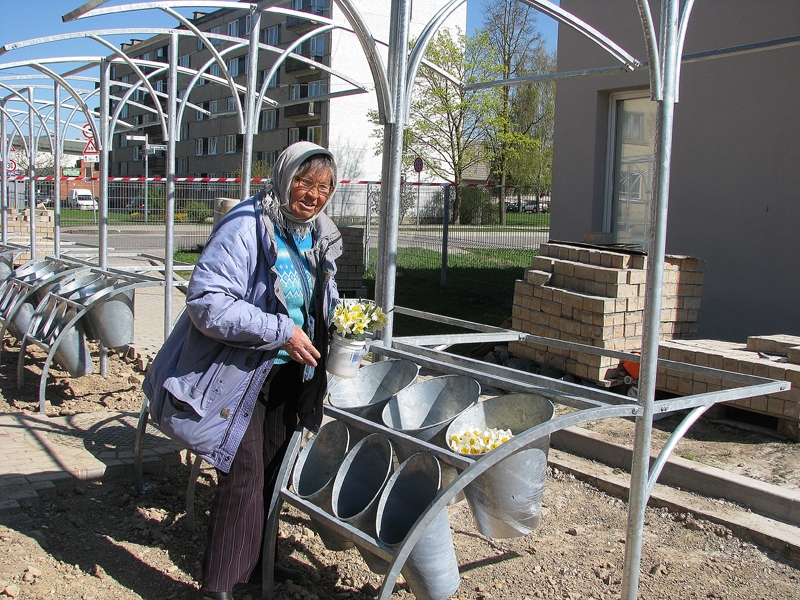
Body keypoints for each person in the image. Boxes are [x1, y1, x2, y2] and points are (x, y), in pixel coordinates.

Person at [143, 142, 342, 600]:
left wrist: (342, 323)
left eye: (324, 186)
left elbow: (317, 296)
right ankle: (222, 587)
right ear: (283, 176)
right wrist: (281, 330)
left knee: (274, 470)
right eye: (304, 182)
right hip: (240, 372)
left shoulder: (319, 232)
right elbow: (206, 301)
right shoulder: (246, 225)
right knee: (244, 475)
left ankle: (259, 567)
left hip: (291, 374)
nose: (313, 194)